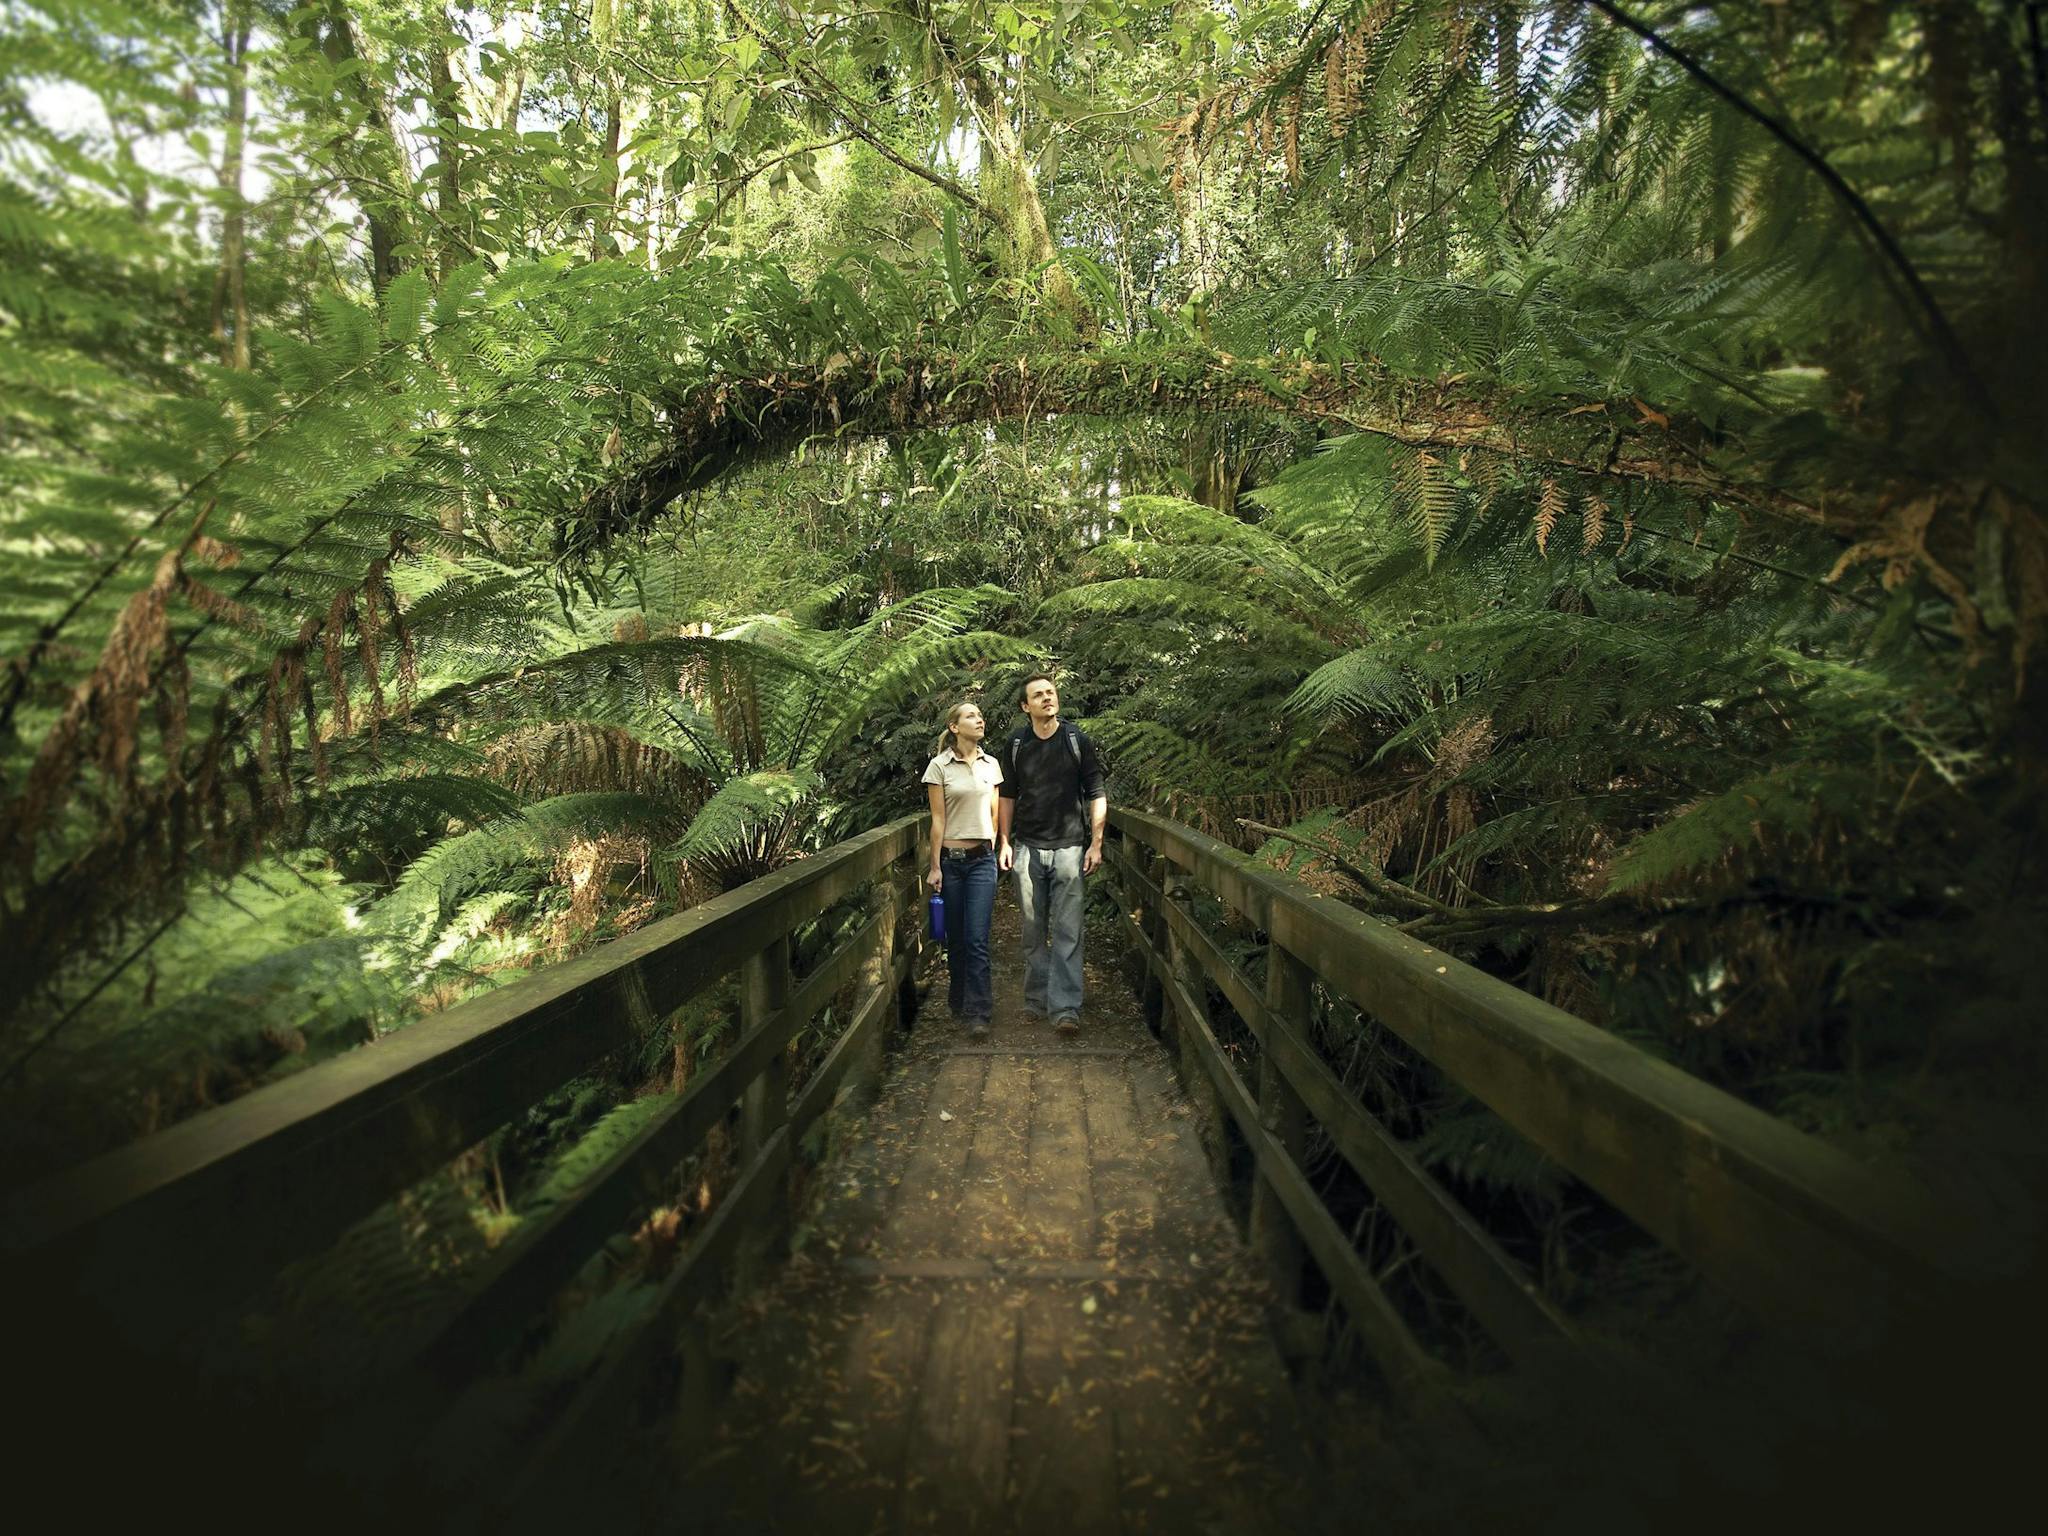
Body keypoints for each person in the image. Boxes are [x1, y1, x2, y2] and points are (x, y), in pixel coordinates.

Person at [996, 673, 1106, 1038]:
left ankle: (1065, 1008)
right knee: (1032, 929)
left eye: (1051, 692)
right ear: (1025, 707)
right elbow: (1007, 796)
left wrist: (1096, 843)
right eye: (1038, 695)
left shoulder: (1076, 740)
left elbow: (1095, 791)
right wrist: (1005, 841)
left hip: (1071, 847)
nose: (1047, 698)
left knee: (1068, 930)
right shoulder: (1016, 743)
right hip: (1027, 846)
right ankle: (1035, 999)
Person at [922, 700, 1002, 1040]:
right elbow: (938, 819)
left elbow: (996, 814)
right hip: (951, 864)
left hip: (982, 861)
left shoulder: (992, 764)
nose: (979, 718)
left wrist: (995, 845)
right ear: (955, 727)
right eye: (971, 715)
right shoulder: (938, 767)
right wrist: (935, 865)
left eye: (980, 714)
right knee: (956, 939)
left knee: (977, 938)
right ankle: (958, 998)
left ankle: (979, 1011)